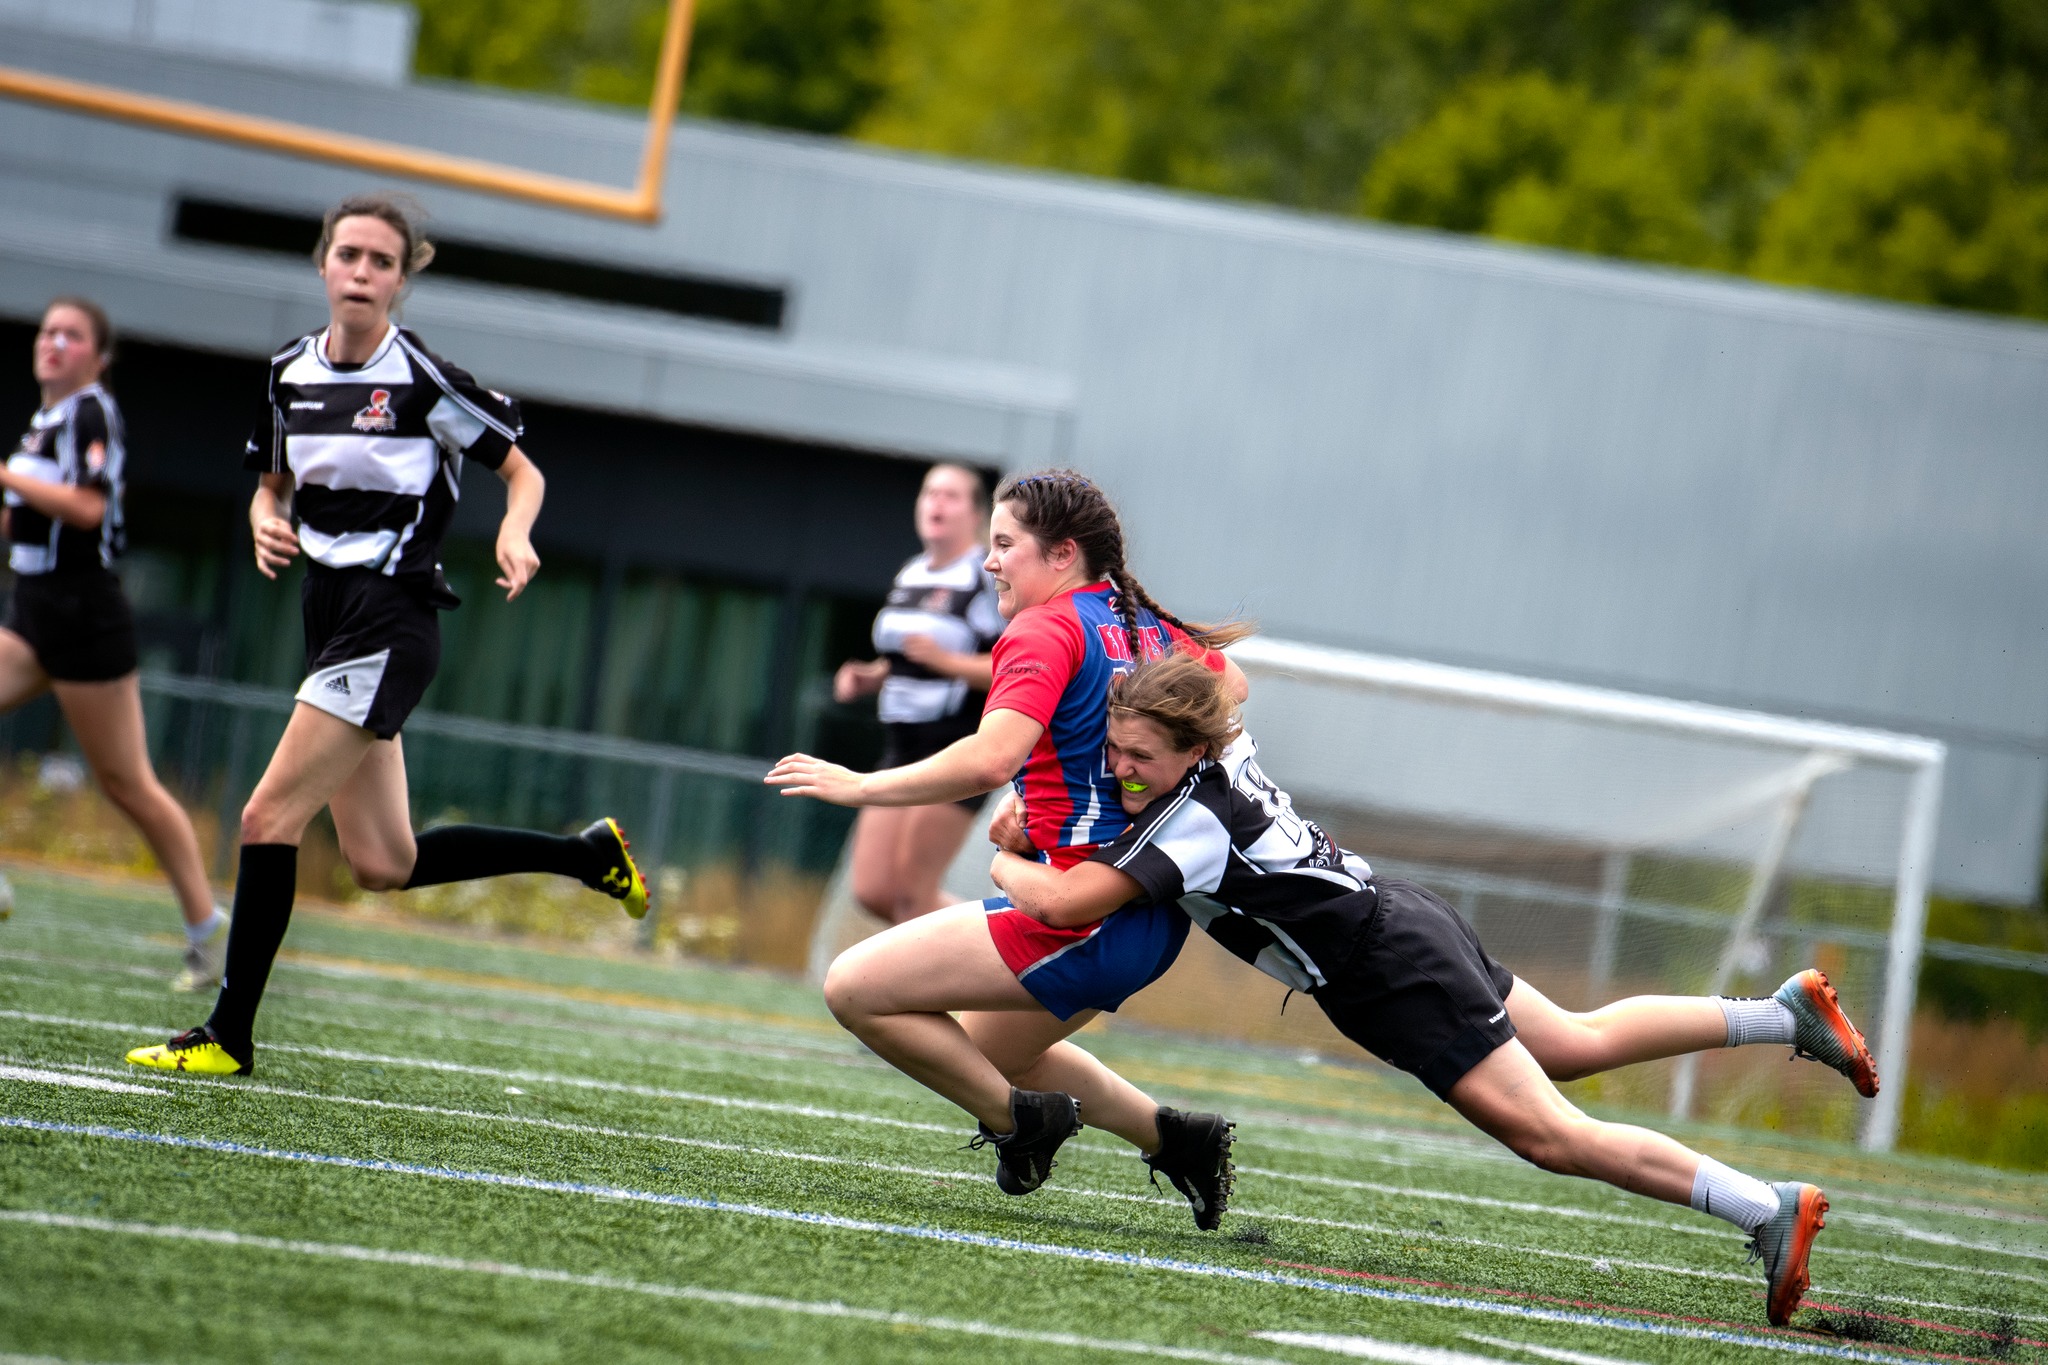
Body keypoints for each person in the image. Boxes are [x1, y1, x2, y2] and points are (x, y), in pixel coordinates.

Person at [992, 650, 1876, 1327]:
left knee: (1551, 1137)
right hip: (1403, 922)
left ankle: (1766, 1208)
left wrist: (1003, 849)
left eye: (1139, 753)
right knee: (1574, 1041)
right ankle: (1782, 1012)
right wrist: (1157, 656)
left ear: (1191, 746)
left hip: (1394, 972)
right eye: (1112, 748)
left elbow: (1071, 900)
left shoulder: (1190, 822)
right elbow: (1229, 674)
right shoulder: (1227, 741)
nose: (1119, 768)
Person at [125, 193, 647, 1079]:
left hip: (391, 615)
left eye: (382, 261)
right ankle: (585, 854)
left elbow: (523, 472)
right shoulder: (290, 371)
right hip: (326, 613)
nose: (362, 273)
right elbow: (272, 482)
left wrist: (516, 529)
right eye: (349, 255)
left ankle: (228, 1033)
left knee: (265, 815)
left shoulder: (422, 378)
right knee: (382, 861)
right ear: (323, 263)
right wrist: (264, 516)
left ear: (404, 279)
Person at [768, 470, 1251, 1228]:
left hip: (1083, 908)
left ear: (1061, 554)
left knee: (853, 986)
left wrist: (861, 785)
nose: (989, 561)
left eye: (1003, 544)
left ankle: (1024, 1124)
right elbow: (1235, 686)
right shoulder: (1141, 625)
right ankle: (1177, 1138)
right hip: (1145, 912)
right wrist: (1074, 771)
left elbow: (991, 758)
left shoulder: (1046, 626)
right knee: (989, 1051)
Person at [3, 297, 226, 991]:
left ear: (99, 357)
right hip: (34, 604)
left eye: (72, 335)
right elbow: (22, 524)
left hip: (84, 611)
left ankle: (209, 932)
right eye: (48, 332)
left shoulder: (92, 410)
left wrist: (9, 477)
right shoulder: (45, 423)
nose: (54, 343)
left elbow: (89, 507)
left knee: (128, 783)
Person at [832, 462, 1005, 924]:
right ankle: (989, 944)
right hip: (900, 745)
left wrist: (947, 663)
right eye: (929, 494)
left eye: (950, 496)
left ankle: (999, 957)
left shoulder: (986, 574)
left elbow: (1017, 666)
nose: (936, 504)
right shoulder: (912, 573)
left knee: (912, 893)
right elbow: (912, 656)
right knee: (872, 890)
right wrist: (873, 676)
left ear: (976, 515)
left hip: (955, 746)